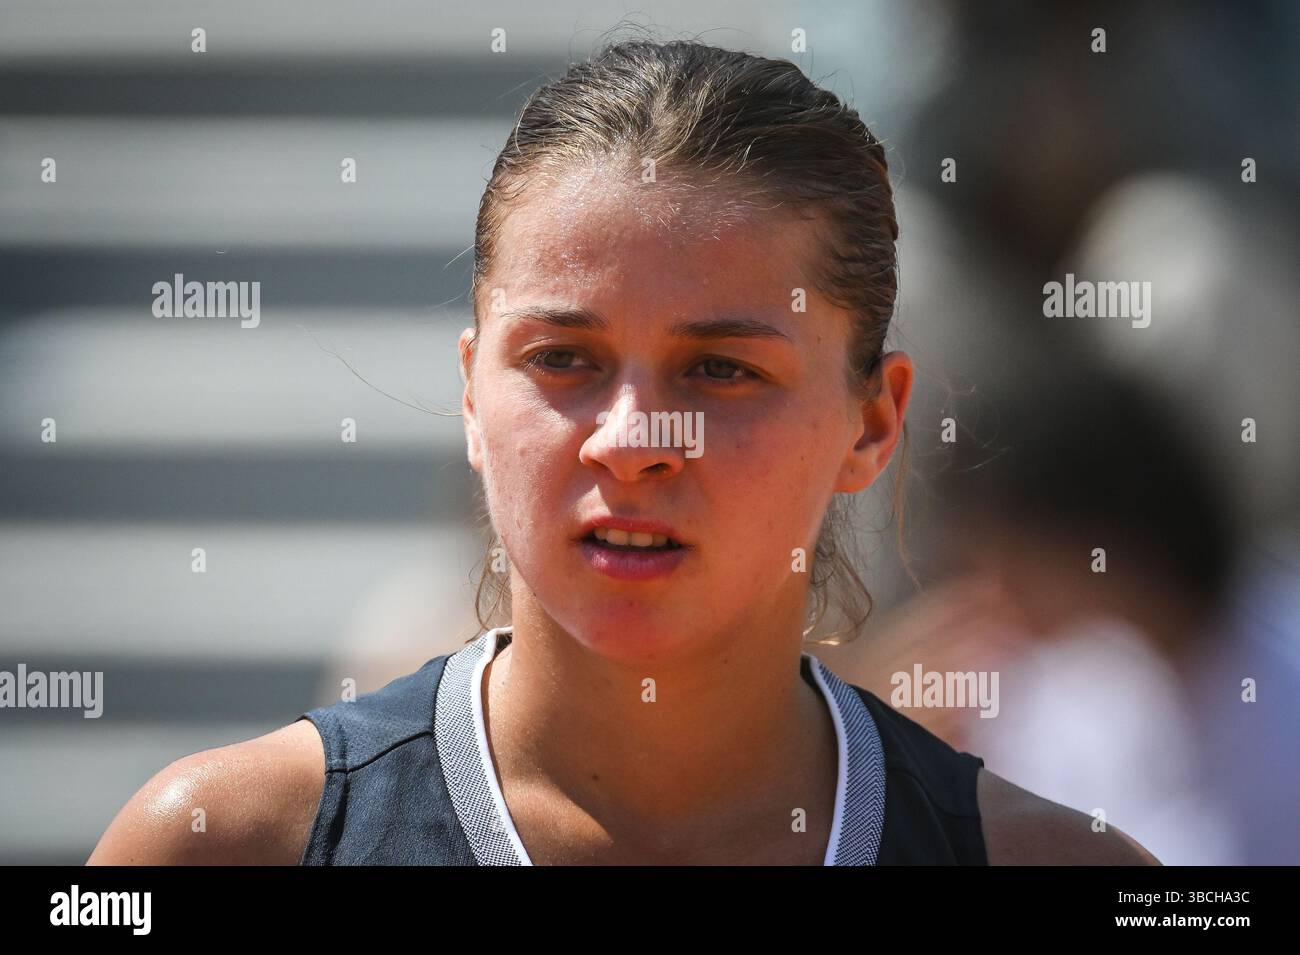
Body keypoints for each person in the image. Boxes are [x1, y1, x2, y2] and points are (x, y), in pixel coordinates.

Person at [87, 38, 1158, 866]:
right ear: (470, 392)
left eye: (721, 370)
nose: (634, 440)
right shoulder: (217, 844)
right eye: (562, 356)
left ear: (872, 424)